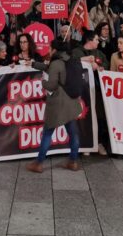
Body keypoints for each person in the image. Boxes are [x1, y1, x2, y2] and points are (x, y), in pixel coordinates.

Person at [26, 39, 82, 173]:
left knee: (47, 133)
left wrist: (43, 82)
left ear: (55, 50)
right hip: (71, 103)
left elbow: (52, 85)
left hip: (58, 103)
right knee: (73, 133)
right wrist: (33, 64)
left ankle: (38, 163)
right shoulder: (70, 59)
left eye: (50, 48)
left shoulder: (56, 63)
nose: (48, 50)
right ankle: (73, 162)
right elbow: (50, 67)